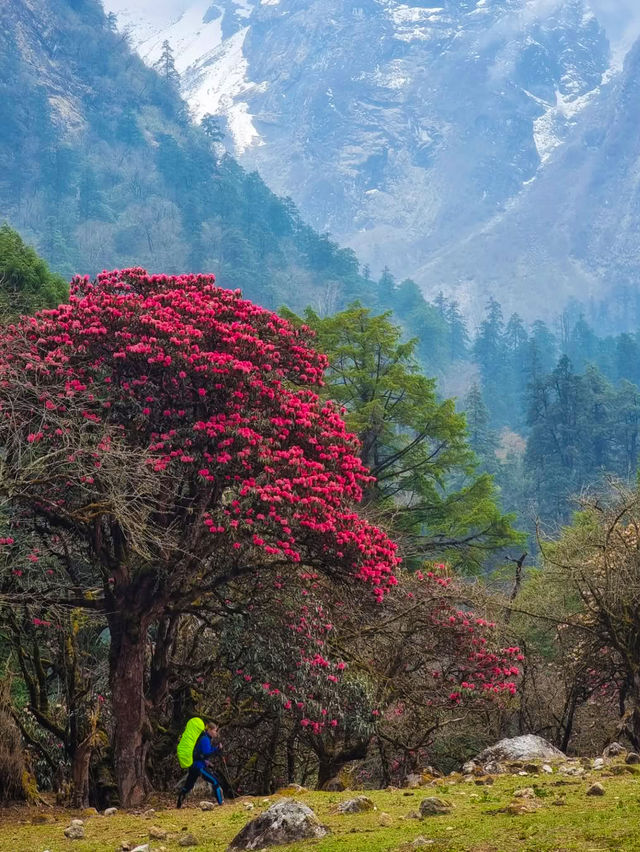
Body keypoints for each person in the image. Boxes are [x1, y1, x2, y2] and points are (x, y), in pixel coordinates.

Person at [176, 721, 224, 808]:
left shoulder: (204, 738)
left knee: (188, 786)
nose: (216, 733)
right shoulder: (205, 739)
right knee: (215, 781)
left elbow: (202, 753)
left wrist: (208, 760)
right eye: (215, 730)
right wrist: (217, 749)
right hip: (199, 767)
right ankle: (221, 803)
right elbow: (207, 753)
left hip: (193, 766)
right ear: (209, 730)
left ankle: (178, 804)